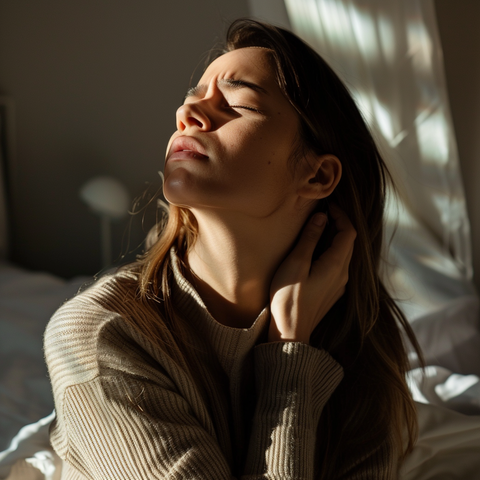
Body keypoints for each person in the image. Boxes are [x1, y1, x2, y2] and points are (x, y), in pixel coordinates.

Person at [44, 19, 423, 479]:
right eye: (192, 98)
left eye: (239, 103)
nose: (189, 114)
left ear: (318, 176)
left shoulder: (359, 353)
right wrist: (288, 356)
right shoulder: (101, 333)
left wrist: (301, 348)